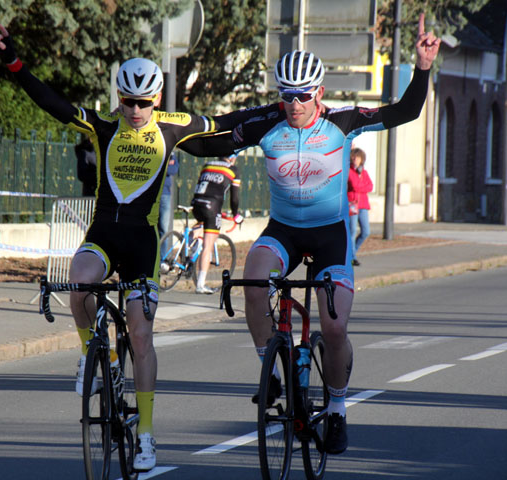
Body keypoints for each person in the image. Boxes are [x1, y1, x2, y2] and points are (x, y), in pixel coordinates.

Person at [0, 25, 255, 472]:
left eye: (144, 102)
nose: (135, 110)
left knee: (141, 333)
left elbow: (225, 126)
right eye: (128, 101)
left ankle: (147, 436)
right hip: (103, 234)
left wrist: (283, 110)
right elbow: (52, 103)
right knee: (78, 286)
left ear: (156, 100)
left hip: (141, 242)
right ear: (118, 97)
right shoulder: (103, 125)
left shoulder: (175, 127)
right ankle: (94, 358)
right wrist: (14, 63)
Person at [179, 14, 440, 455]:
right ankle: (271, 373)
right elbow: (214, 138)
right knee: (253, 282)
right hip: (284, 231)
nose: (294, 104)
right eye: (286, 96)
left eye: (302, 95)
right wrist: (163, 132)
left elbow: (406, 111)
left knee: (334, 327)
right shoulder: (269, 121)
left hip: (329, 236)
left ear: (318, 92)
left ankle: (337, 408)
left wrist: (423, 67)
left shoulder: (343, 121)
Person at [190, 154, 243, 294]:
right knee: (208, 245)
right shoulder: (233, 170)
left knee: (199, 224)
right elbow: (234, 198)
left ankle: (187, 253)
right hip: (212, 207)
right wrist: (235, 214)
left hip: (197, 203)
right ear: (232, 157)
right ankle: (200, 284)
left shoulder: (207, 165)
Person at [347, 148, 372, 266]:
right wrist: (362, 186)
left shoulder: (364, 173)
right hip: (352, 204)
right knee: (352, 230)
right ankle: (352, 257)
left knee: (366, 231)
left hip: (363, 205)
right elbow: (355, 185)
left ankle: (352, 253)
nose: (355, 160)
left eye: (357, 158)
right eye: (353, 158)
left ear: (361, 159)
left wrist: (361, 186)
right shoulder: (349, 171)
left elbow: (370, 187)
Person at [158, 151, 178, 254]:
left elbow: (173, 169)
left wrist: (160, 166)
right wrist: (166, 165)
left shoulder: (171, 153)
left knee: (163, 229)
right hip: (152, 194)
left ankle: (162, 260)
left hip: (165, 194)